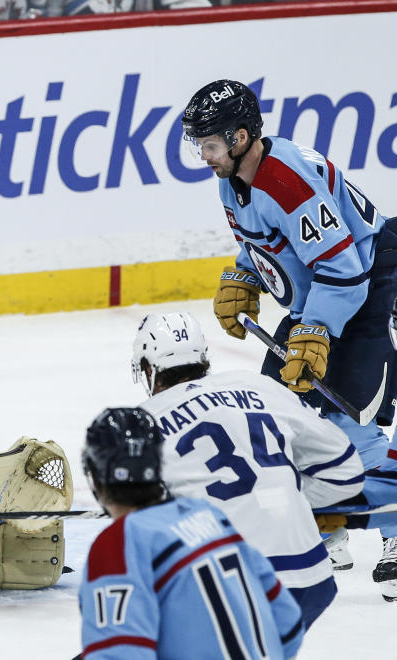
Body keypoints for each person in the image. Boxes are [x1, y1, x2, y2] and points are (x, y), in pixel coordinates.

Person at [183, 78, 397, 595]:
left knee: (353, 415)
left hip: (368, 285)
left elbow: (344, 267)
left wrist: (316, 332)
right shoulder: (231, 178)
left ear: (239, 138)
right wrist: (244, 277)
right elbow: (265, 242)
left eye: (209, 144)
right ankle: (328, 527)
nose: (203, 156)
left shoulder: (286, 179)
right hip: (319, 295)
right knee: (280, 410)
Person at [132, 311, 365, 627]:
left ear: (148, 368)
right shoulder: (258, 386)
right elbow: (346, 474)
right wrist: (286, 494)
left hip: (230, 589)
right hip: (311, 578)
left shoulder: (142, 423)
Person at [78, 407, 304, 659]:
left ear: (95, 477)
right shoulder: (207, 515)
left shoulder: (121, 542)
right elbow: (288, 623)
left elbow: (120, 655)